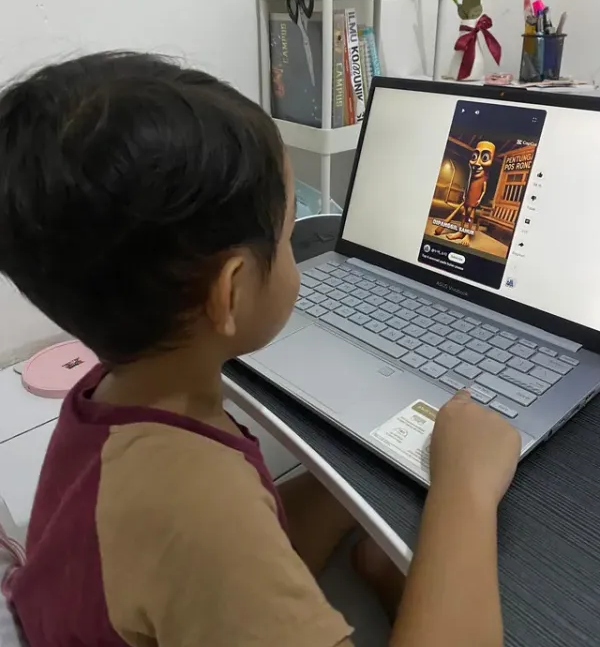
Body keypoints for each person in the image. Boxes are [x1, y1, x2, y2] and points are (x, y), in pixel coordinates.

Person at [0, 53, 521, 647]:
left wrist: (355, 493)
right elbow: (220, 544)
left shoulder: (108, 402)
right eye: (289, 234)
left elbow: (233, 562)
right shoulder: (197, 508)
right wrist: (465, 491)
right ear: (233, 291)